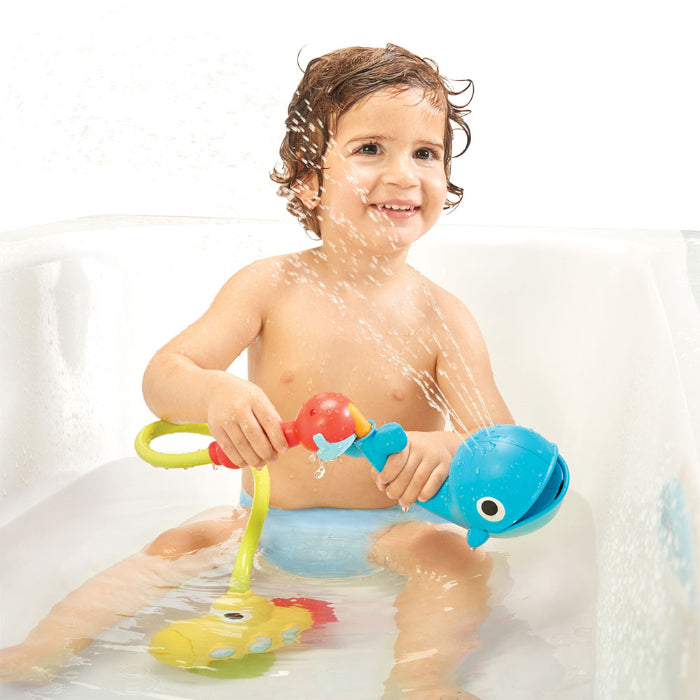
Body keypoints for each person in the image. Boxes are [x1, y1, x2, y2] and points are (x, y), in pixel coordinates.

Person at [1, 45, 513, 698]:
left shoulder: (442, 317)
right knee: (179, 542)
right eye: (370, 149)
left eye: (425, 153)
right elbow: (164, 375)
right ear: (307, 179)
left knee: (456, 559)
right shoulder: (268, 287)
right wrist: (217, 392)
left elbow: (505, 449)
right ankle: (43, 650)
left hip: (396, 530)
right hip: (262, 524)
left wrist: (446, 449)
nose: (403, 175)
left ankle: (421, 678)